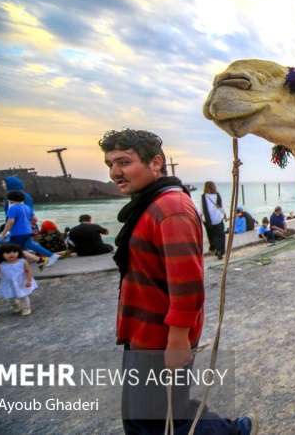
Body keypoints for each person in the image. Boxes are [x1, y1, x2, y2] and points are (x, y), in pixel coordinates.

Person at [99, 128, 256, 434]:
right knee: (144, 415)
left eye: (124, 162)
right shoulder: (150, 204)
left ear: (156, 162)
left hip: (160, 338)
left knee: (156, 420)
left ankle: (234, 431)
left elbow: (187, 284)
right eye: (110, 164)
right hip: (142, 332)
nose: (115, 172)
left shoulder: (170, 209)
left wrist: (177, 340)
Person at [0, 190, 60, 266]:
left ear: (11, 199)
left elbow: (10, 222)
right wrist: (27, 224)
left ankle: (17, 264)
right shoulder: (27, 207)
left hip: (17, 233)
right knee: (30, 245)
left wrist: (3, 233)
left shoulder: (12, 209)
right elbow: (35, 219)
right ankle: (51, 255)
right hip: (28, 230)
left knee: (13, 249)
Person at [0, 243, 38, 316]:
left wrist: (29, 280)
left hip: (21, 282)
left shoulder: (22, 262)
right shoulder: (0, 264)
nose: (12, 254)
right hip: (8, 284)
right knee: (9, 298)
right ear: (2, 254)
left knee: (23, 296)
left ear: (18, 252)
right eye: (8, 253)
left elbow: (28, 271)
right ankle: (15, 304)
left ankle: (26, 307)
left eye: (15, 252)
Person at [201, 181, 227, 259]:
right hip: (217, 218)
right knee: (220, 235)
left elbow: (200, 209)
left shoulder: (203, 197)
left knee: (211, 234)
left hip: (207, 220)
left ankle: (213, 247)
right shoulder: (217, 196)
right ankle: (220, 250)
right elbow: (221, 207)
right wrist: (225, 214)